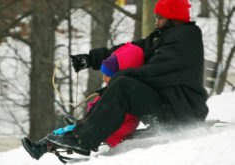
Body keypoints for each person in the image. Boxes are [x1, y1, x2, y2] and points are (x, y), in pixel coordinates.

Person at [45, 0, 208, 155]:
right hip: (170, 105)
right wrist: (91, 59)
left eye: (160, 17)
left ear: (173, 19)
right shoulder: (165, 36)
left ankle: (82, 138)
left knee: (124, 85)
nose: (156, 22)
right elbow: (129, 49)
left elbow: (155, 72)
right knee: (122, 83)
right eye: (155, 17)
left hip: (182, 112)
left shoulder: (185, 40)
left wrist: (118, 77)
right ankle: (85, 129)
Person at [22, 43, 145, 160]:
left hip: (113, 129)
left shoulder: (120, 95)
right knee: (67, 130)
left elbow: (110, 116)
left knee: (70, 133)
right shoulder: (113, 91)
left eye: (108, 74)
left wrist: (90, 126)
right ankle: (42, 146)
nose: (104, 78)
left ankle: (41, 147)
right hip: (102, 126)